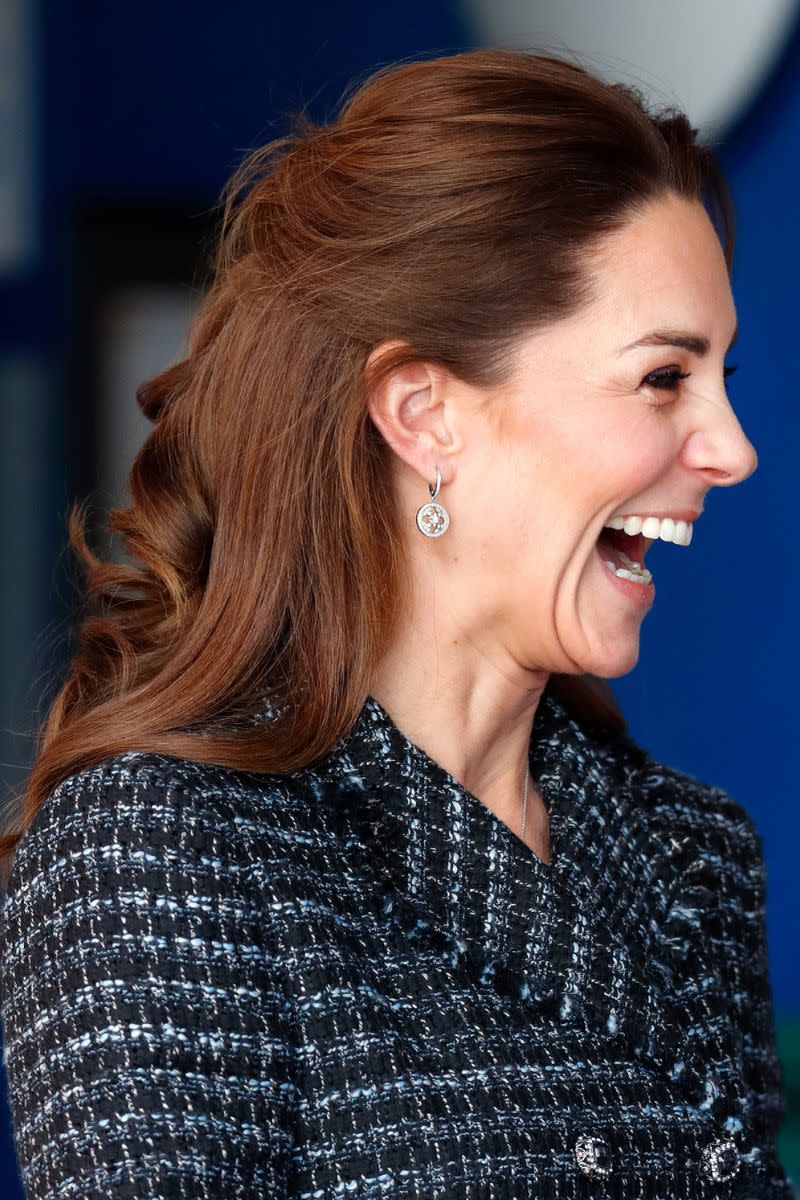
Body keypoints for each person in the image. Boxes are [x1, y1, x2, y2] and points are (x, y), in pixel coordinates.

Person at [0, 45, 793, 1199]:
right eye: (664, 379)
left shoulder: (691, 855)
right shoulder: (160, 851)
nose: (731, 448)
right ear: (424, 415)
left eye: (721, 375)